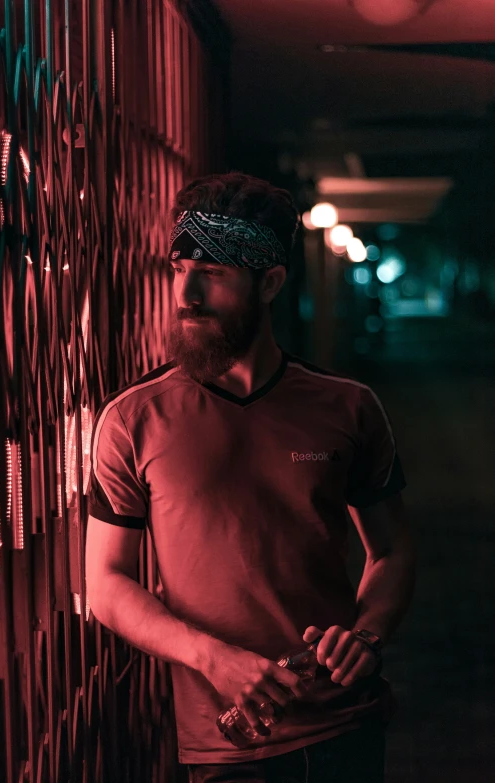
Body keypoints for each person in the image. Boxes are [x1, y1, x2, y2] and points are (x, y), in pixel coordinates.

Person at [85, 172, 417, 783]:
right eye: (178, 267)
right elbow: (105, 585)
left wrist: (365, 636)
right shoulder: (133, 419)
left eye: (212, 273)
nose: (186, 293)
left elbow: (392, 550)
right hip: (224, 745)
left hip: (346, 726)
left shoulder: (349, 408)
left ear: (269, 283)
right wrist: (213, 659)